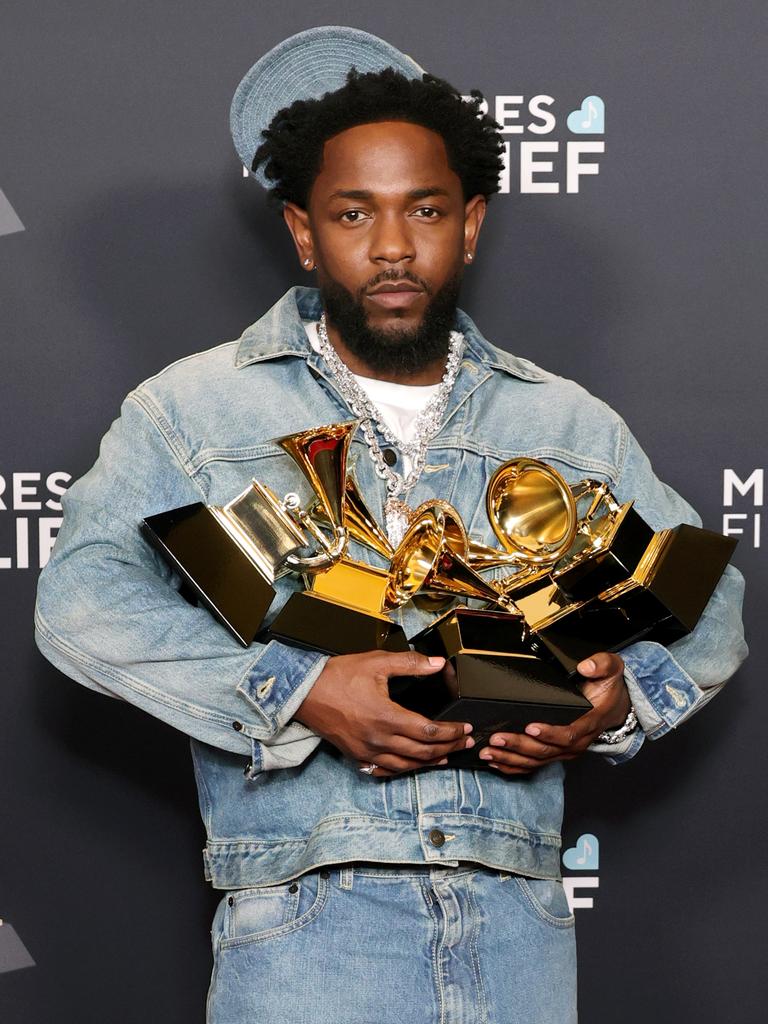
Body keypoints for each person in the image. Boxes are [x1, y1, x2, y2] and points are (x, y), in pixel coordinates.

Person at [34, 26, 747, 1024]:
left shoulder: (567, 423)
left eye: (425, 209)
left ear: (472, 222)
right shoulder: (194, 412)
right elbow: (80, 601)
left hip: (520, 923)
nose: (393, 247)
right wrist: (299, 688)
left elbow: (703, 594)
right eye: (354, 213)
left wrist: (619, 701)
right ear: (302, 230)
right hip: (307, 921)